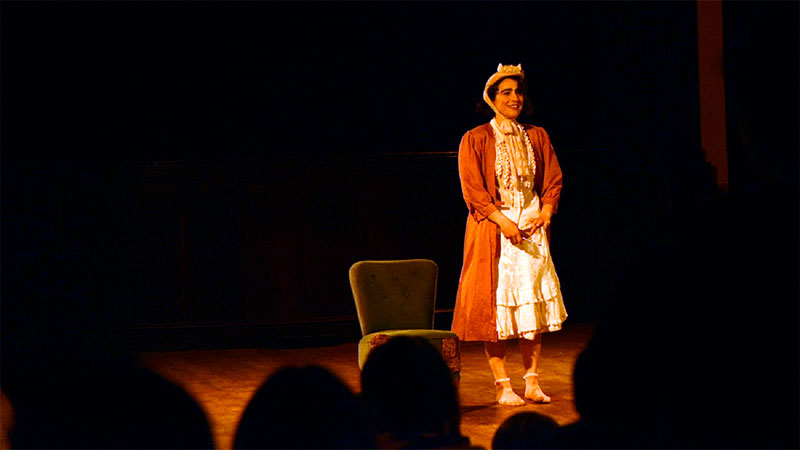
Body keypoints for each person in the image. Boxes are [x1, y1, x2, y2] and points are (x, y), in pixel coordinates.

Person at [452, 63, 567, 406]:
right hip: (495, 230)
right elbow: (473, 190)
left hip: (532, 227)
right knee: (498, 309)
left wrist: (545, 212)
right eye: (506, 92)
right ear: (492, 98)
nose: (514, 98)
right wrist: (502, 221)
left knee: (532, 305)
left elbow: (552, 179)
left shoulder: (537, 135)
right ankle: (503, 384)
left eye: (517, 92)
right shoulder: (476, 138)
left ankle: (532, 380)